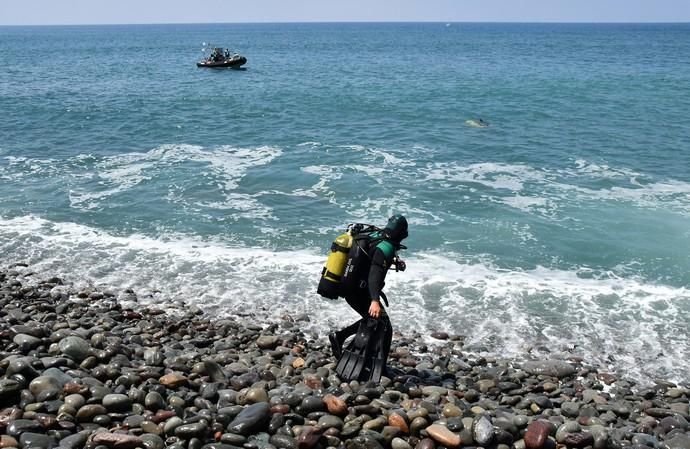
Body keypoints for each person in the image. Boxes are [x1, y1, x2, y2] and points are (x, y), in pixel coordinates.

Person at [329, 214, 408, 381]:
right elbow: (374, 275)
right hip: (359, 291)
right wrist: (374, 301)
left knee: (373, 321)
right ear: (401, 232)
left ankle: (342, 338)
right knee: (385, 326)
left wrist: (395, 261)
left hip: (349, 285)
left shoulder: (376, 235)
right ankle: (383, 369)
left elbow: (372, 257)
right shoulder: (385, 248)